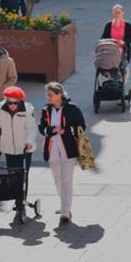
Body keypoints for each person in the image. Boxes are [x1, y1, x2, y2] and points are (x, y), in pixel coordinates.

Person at [0, 86, 36, 225]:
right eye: (10, 103)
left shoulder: (27, 110)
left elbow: (32, 128)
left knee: (22, 175)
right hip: (8, 148)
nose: (12, 106)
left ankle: (20, 201)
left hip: (24, 149)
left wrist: (29, 142)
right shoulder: (1, 109)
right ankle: (17, 198)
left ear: (20, 101)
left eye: (15, 103)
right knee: (12, 175)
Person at [38, 82, 86, 224]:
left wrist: (67, 130)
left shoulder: (73, 108)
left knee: (66, 179)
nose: (49, 97)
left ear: (60, 94)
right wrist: (52, 130)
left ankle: (65, 209)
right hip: (52, 148)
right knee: (57, 179)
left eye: (51, 95)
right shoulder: (46, 109)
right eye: (48, 95)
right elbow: (42, 127)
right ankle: (63, 203)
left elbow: (81, 126)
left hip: (68, 148)